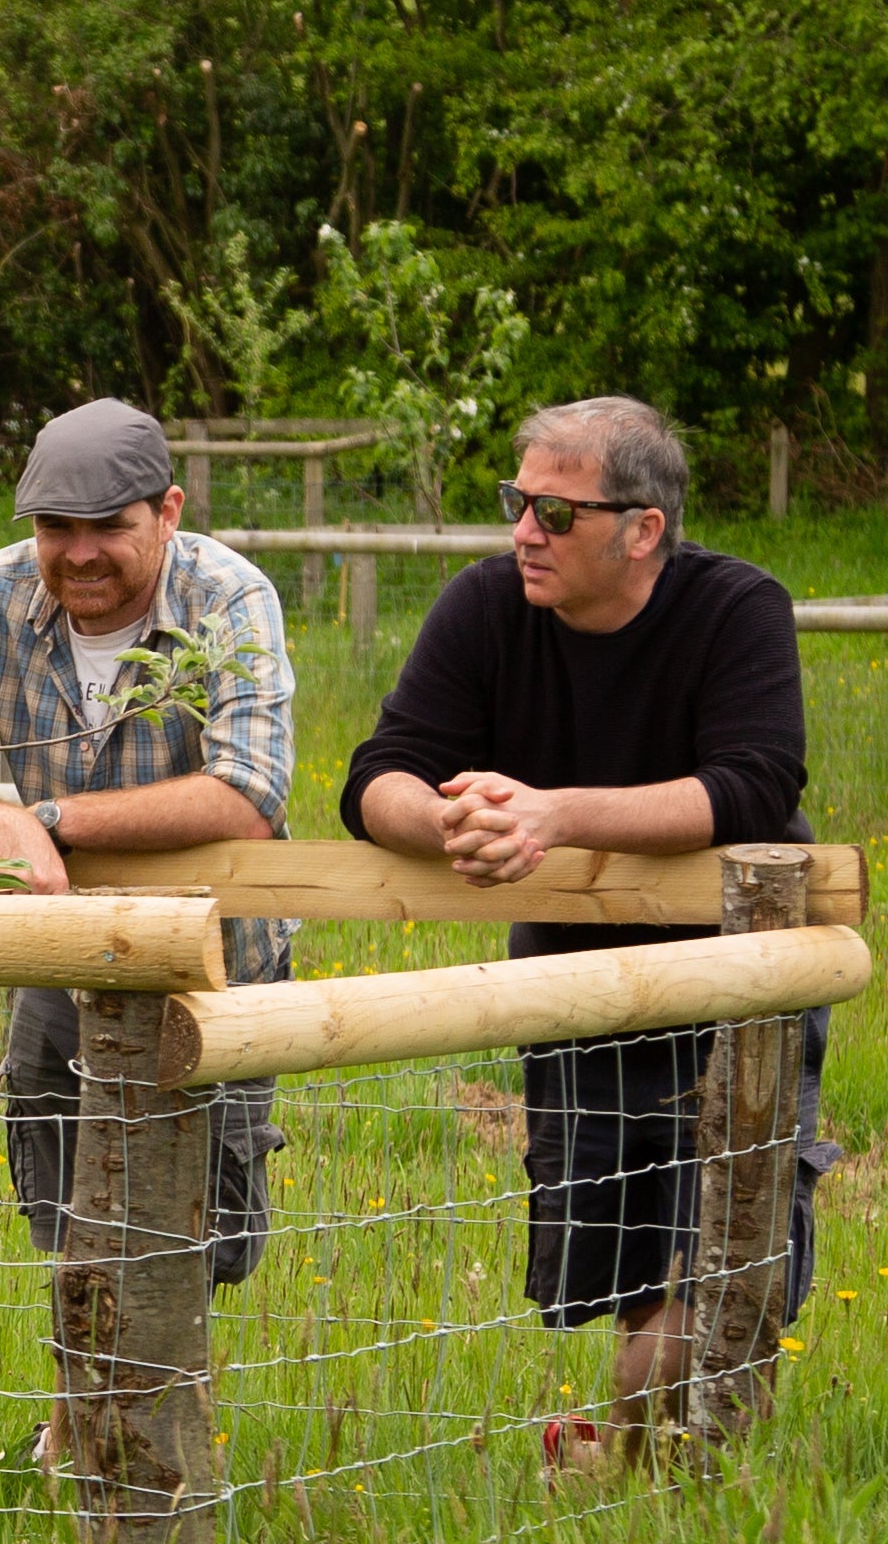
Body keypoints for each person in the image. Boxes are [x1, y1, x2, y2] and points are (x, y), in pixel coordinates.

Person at [337, 395, 825, 1472]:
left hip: (731, 974)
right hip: (570, 980)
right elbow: (376, 776)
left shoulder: (736, 608)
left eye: (553, 512)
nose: (522, 532)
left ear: (641, 528)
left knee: (732, 1247)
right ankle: (652, 1465)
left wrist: (554, 812)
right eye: (517, 502)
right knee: (621, 1268)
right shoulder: (485, 608)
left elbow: (751, 786)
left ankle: (692, 1462)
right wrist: (450, 819)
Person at [0, 398, 299, 1326]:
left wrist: (51, 818)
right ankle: (80, 1420)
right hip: (59, 961)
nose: (78, 553)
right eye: (54, 528)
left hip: (215, 963)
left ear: (169, 511)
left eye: (109, 526)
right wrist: (2, 826)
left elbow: (249, 792)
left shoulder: (228, 598)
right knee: (67, 1220)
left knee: (200, 1235)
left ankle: (157, 1439)